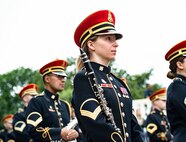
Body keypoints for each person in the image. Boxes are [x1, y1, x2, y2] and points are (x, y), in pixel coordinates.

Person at [71, 9, 145, 142]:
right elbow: (97, 126)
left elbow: (133, 125)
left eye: (115, 39)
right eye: (108, 39)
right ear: (91, 44)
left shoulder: (119, 82)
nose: (116, 43)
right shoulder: (83, 78)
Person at [25, 59, 79, 141]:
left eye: (64, 77)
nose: (63, 80)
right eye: (59, 76)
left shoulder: (65, 105)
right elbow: (33, 130)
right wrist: (59, 133)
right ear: (47, 79)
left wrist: (75, 132)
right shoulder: (36, 102)